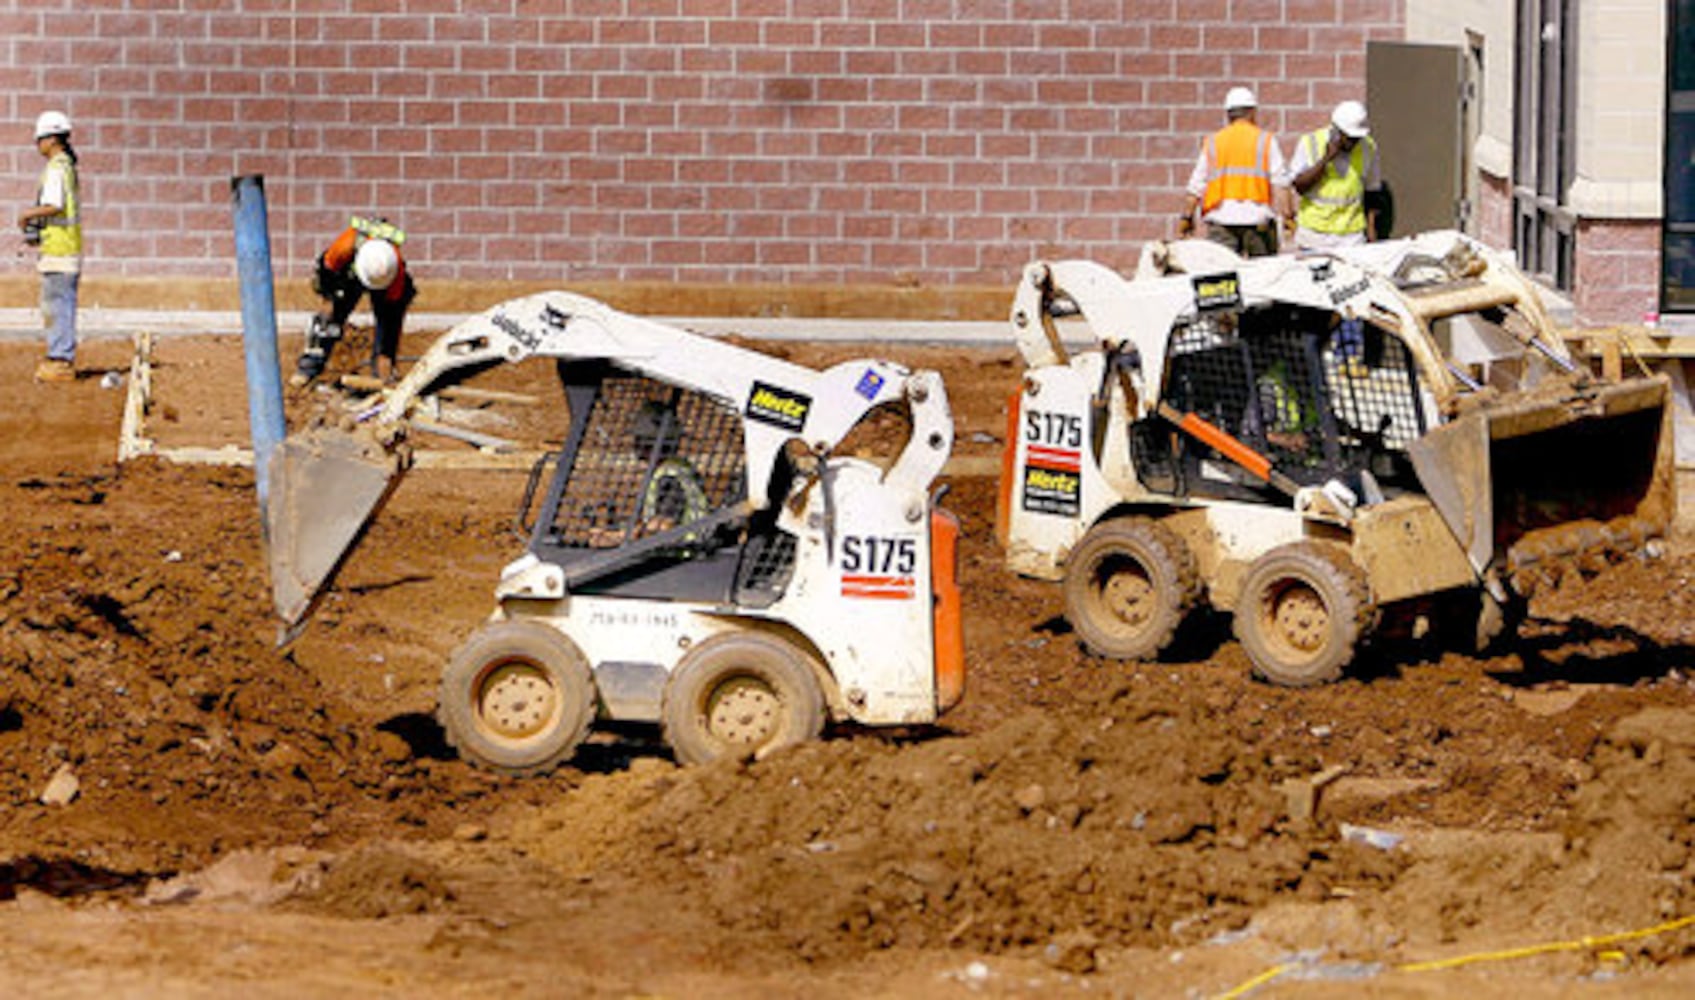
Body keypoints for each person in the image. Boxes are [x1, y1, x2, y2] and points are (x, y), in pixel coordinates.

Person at [1290, 101, 1383, 376]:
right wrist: (1326, 158)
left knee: (1351, 296)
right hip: (1314, 235)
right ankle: (1312, 352)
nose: (1353, 143)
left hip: (1350, 236)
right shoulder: (1310, 144)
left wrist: (1372, 234)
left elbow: (1373, 194)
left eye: (1356, 138)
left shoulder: (1368, 148)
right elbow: (1300, 186)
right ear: (1336, 132)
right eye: (1348, 138)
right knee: (1316, 298)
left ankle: (1349, 355)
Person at [291, 216, 415, 386]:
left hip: (385, 282)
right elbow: (326, 272)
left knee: (387, 330)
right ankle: (309, 366)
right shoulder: (344, 247)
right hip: (347, 274)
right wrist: (329, 302)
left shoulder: (394, 268)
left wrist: (385, 353)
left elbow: (391, 315)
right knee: (329, 319)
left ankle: (382, 375)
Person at [1177, 86, 1289, 257]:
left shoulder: (1214, 142)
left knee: (1222, 279)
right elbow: (1281, 183)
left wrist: (1186, 217)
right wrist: (1288, 216)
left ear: (1228, 114)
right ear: (1252, 112)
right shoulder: (1265, 140)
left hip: (1222, 223)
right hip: (1257, 222)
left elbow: (1196, 185)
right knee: (1261, 278)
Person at [18, 111, 81, 384]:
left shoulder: (56, 168)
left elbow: (54, 205)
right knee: (59, 303)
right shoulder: (65, 166)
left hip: (60, 251)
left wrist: (27, 215)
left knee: (57, 305)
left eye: (40, 140)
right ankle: (59, 355)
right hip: (63, 248)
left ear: (51, 139)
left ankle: (61, 360)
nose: (38, 146)